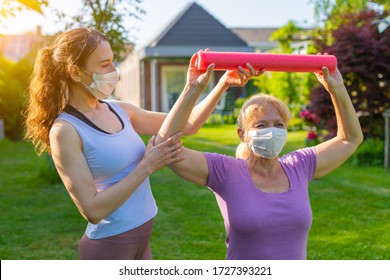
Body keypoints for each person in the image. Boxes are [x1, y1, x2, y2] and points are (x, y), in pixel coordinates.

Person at [24, 27, 258, 260]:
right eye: (104, 65)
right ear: (75, 72)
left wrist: (219, 84)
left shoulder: (118, 109)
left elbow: (187, 125)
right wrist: (147, 165)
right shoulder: (65, 130)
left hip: (142, 241)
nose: (114, 71)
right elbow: (92, 210)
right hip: (109, 247)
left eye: (113, 62)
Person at [155, 59, 364, 260]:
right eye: (261, 125)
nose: (271, 131)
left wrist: (337, 88)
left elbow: (350, 139)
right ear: (242, 134)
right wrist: (192, 89)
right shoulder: (226, 171)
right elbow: (165, 145)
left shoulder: (299, 165)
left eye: (279, 125)